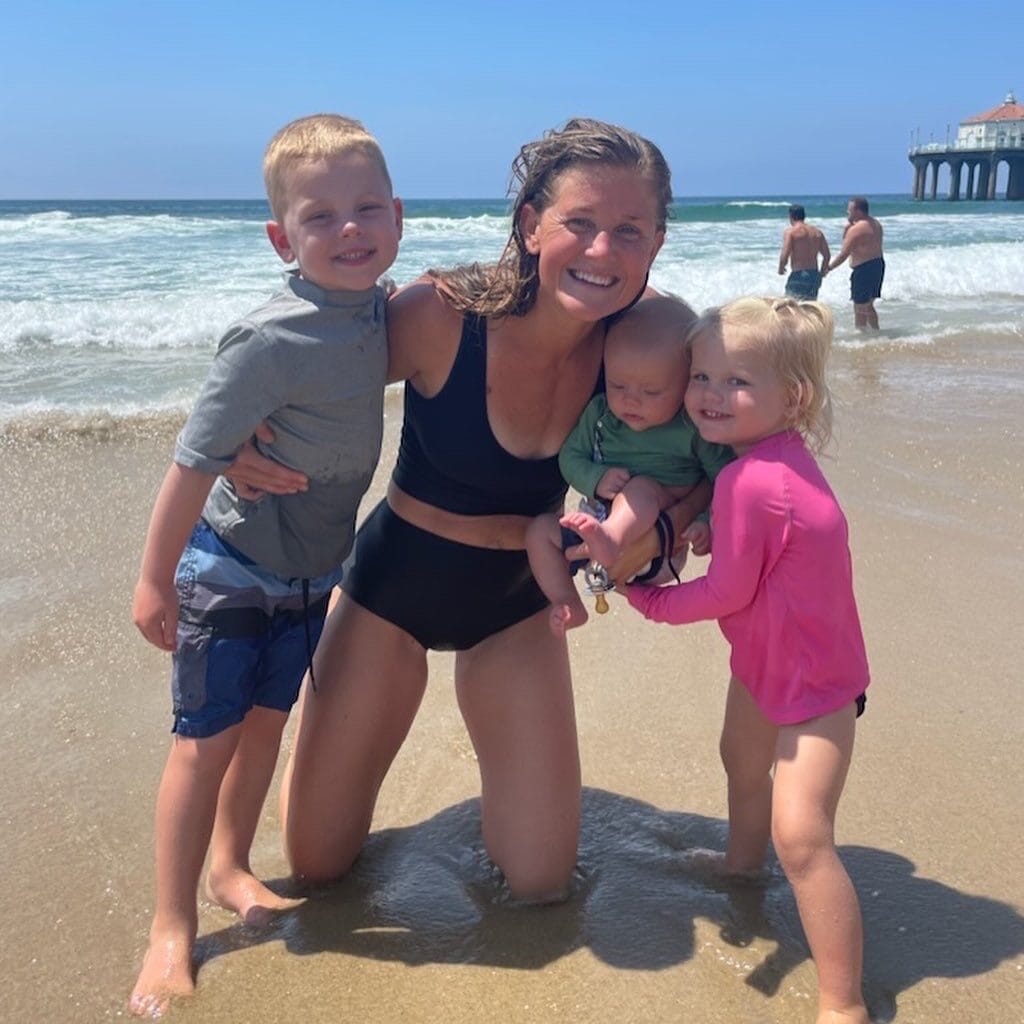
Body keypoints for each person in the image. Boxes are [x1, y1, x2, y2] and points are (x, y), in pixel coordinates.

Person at [225, 118, 712, 902]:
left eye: (629, 230)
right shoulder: (437, 314)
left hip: (517, 605)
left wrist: (664, 524)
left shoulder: (650, 342)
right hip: (393, 588)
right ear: (530, 224)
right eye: (578, 224)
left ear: (656, 240)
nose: (601, 251)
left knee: (544, 881)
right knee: (316, 865)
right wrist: (241, 438)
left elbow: (708, 453)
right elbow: (304, 367)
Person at [128, 113, 402, 1017]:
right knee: (202, 746)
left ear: (397, 218)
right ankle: (170, 927)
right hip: (231, 565)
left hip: (312, 573)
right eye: (321, 217)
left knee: (263, 732)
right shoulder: (267, 337)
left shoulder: (375, 311)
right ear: (282, 238)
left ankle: (230, 869)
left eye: (367, 209)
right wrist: (153, 577)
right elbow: (191, 458)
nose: (350, 229)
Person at [625, 296, 871, 1024]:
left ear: (792, 397)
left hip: (817, 688)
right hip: (766, 664)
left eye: (736, 381)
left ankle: (844, 1003)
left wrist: (648, 600)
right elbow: (766, 552)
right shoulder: (769, 461)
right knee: (740, 759)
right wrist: (706, 522)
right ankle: (739, 863)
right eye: (701, 376)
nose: (709, 395)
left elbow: (729, 591)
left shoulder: (751, 479)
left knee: (803, 836)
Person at [527, 295, 733, 636]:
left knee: (638, 489)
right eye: (617, 385)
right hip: (597, 524)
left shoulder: (691, 426)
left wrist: (702, 522)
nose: (630, 399)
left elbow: (722, 480)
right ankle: (568, 603)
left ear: (686, 385)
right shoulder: (600, 414)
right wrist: (595, 478)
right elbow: (570, 456)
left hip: (662, 548)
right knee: (538, 532)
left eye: (651, 391)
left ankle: (610, 538)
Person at [826, 196, 884, 330]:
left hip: (864, 269)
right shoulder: (875, 224)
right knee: (869, 305)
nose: (847, 212)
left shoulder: (857, 229)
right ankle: (875, 331)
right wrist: (848, 229)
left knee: (860, 307)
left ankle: (861, 336)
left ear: (858, 211)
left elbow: (844, 253)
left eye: (850, 210)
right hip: (878, 265)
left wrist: (829, 267)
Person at [777, 204, 830, 299]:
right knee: (810, 309)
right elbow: (827, 256)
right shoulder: (817, 232)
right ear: (804, 216)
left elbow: (785, 254)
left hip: (799, 275)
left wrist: (781, 268)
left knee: (792, 309)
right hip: (814, 275)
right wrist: (822, 272)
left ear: (791, 216)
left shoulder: (791, 232)